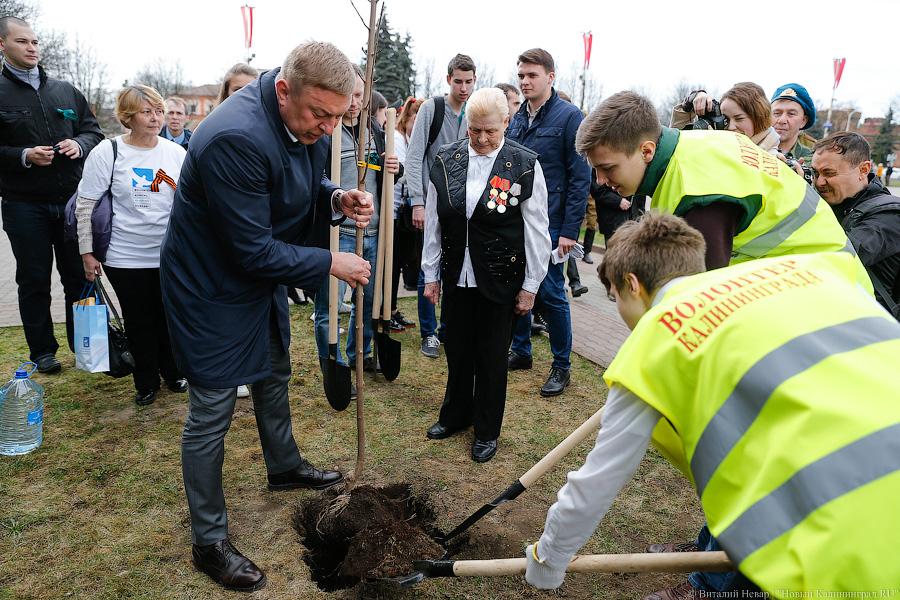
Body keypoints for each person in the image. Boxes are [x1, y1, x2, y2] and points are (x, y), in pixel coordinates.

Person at [576, 90, 870, 598]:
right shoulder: (686, 159)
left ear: (645, 150)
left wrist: (652, 379)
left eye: (607, 168)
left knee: (743, 443)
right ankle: (709, 548)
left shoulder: (698, 189)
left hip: (814, 303)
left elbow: (697, 318)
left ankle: (714, 582)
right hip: (790, 293)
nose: (601, 181)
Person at [524, 212, 900, 596]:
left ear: (632, 285)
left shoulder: (657, 339)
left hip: (855, 523)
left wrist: (548, 561)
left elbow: (597, 480)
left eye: (615, 298)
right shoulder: (806, 269)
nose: (619, 313)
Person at [159, 42, 373, 592]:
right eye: (319, 115)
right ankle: (209, 540)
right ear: (284, 90)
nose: (327, 129)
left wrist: (336, 199)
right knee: (212, 409)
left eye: (337, 117)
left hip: (255, 281)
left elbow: (294, 185)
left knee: (275, 369)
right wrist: (330, 260)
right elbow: (251, 249)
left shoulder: (298, 122)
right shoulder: (235, 137)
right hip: (211, 288)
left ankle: (284, 466)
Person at [422, 87, 550, 462]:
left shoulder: (524, 165)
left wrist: (530, 287)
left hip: (500, 280)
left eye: (490, 131)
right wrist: (431, 274)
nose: (481, 139)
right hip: (457, 277)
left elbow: (537, 231)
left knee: (492, 358)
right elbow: (434, 222)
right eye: (474, 130)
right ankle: (456, 415)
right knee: (458, 350)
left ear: (506, 124)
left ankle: (486, 429)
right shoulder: (446, 160)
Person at [0, 16, 103, 374]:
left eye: (34, 42)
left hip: (71, 203)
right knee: (33, 279)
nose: (31, 48)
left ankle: (86, 348)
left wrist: (79, 142)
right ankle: (43, 351)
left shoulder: (65, 89)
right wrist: (23, 156)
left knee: (78, 276)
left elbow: (94, 132)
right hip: (23, 203)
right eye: (22, 42)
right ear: (3, 45)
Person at [77, 85, 188, 406]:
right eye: (146, 112)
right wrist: (87, 252)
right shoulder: (107, 152)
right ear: (128, 117)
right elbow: (86, 204)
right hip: (124, 256)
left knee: (169, 315)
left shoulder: (175, 153)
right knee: (139, 319)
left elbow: (191, 201)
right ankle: (146, 380)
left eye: (158, 111)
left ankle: (174, 371)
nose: (155, 118)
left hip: (170, 254)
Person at [506, 48, 591, 398]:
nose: (525, 81)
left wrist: (570, 231)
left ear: (551, 76)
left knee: (552, 293)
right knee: (518, 286)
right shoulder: (518, 119)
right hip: (518, 220)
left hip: (553, 224)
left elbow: (579, 176)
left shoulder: (570, 117)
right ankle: (522, 350)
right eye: (521, 75)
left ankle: (561, 366)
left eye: (532, 75)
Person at [313, 67, 399, 373]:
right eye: (348, 95)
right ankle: (332, 366)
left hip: (373, 231)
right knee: (330, 307)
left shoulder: (373, 130)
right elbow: (316, 182)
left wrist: (392, 167)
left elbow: (382, 175)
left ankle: (358, 357)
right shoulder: (324, 133)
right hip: (338, 233)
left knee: (365, 303)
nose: (353, 102)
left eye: (359, 95)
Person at [404, 53, 475, 359]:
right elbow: (415, 156)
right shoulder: (433, 109)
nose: (463, 87)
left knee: (455, 268)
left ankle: (448, 329)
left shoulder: (475, 111)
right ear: (449, 80)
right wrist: (418, 202)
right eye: (458, 81)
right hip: (432, 204)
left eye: (469, 81)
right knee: (428, 267)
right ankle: (428, 332)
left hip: (464, 209)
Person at [812, 132, 900, 316]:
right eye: (815, 173)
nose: (819, 182)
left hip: (872, 330)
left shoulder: (889, 215)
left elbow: (839, 255)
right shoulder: (832, 203)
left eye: (829, 173)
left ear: (863, 169)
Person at [213, 63, 261, 401]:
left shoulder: (260, 133)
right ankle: (228, 373)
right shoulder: (223, 135)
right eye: (236, 90)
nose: (243, 95)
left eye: (250, 89)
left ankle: (246, 370)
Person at [391, 96, 425, 329]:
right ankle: (387, 310)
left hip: (402, 211)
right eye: (418, 121)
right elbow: (404, 172)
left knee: (401, 261)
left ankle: (392, 309)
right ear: (408, 118)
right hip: (393, 212)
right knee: (392, 265)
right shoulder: (396, 138)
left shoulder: (410, 139)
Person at [671, 82, 780, 152]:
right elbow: (675, 147)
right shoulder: (719, 144)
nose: (731, 127)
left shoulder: (776, 161)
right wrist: (689, 104)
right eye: (726, 119)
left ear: (759, 117)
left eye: (739, 118)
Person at [770, 83, 816, 161]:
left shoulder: (814, 160)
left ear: (803, 121)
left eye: (791, 114)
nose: (782, 120)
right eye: (777, 113)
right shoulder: (751, 147)